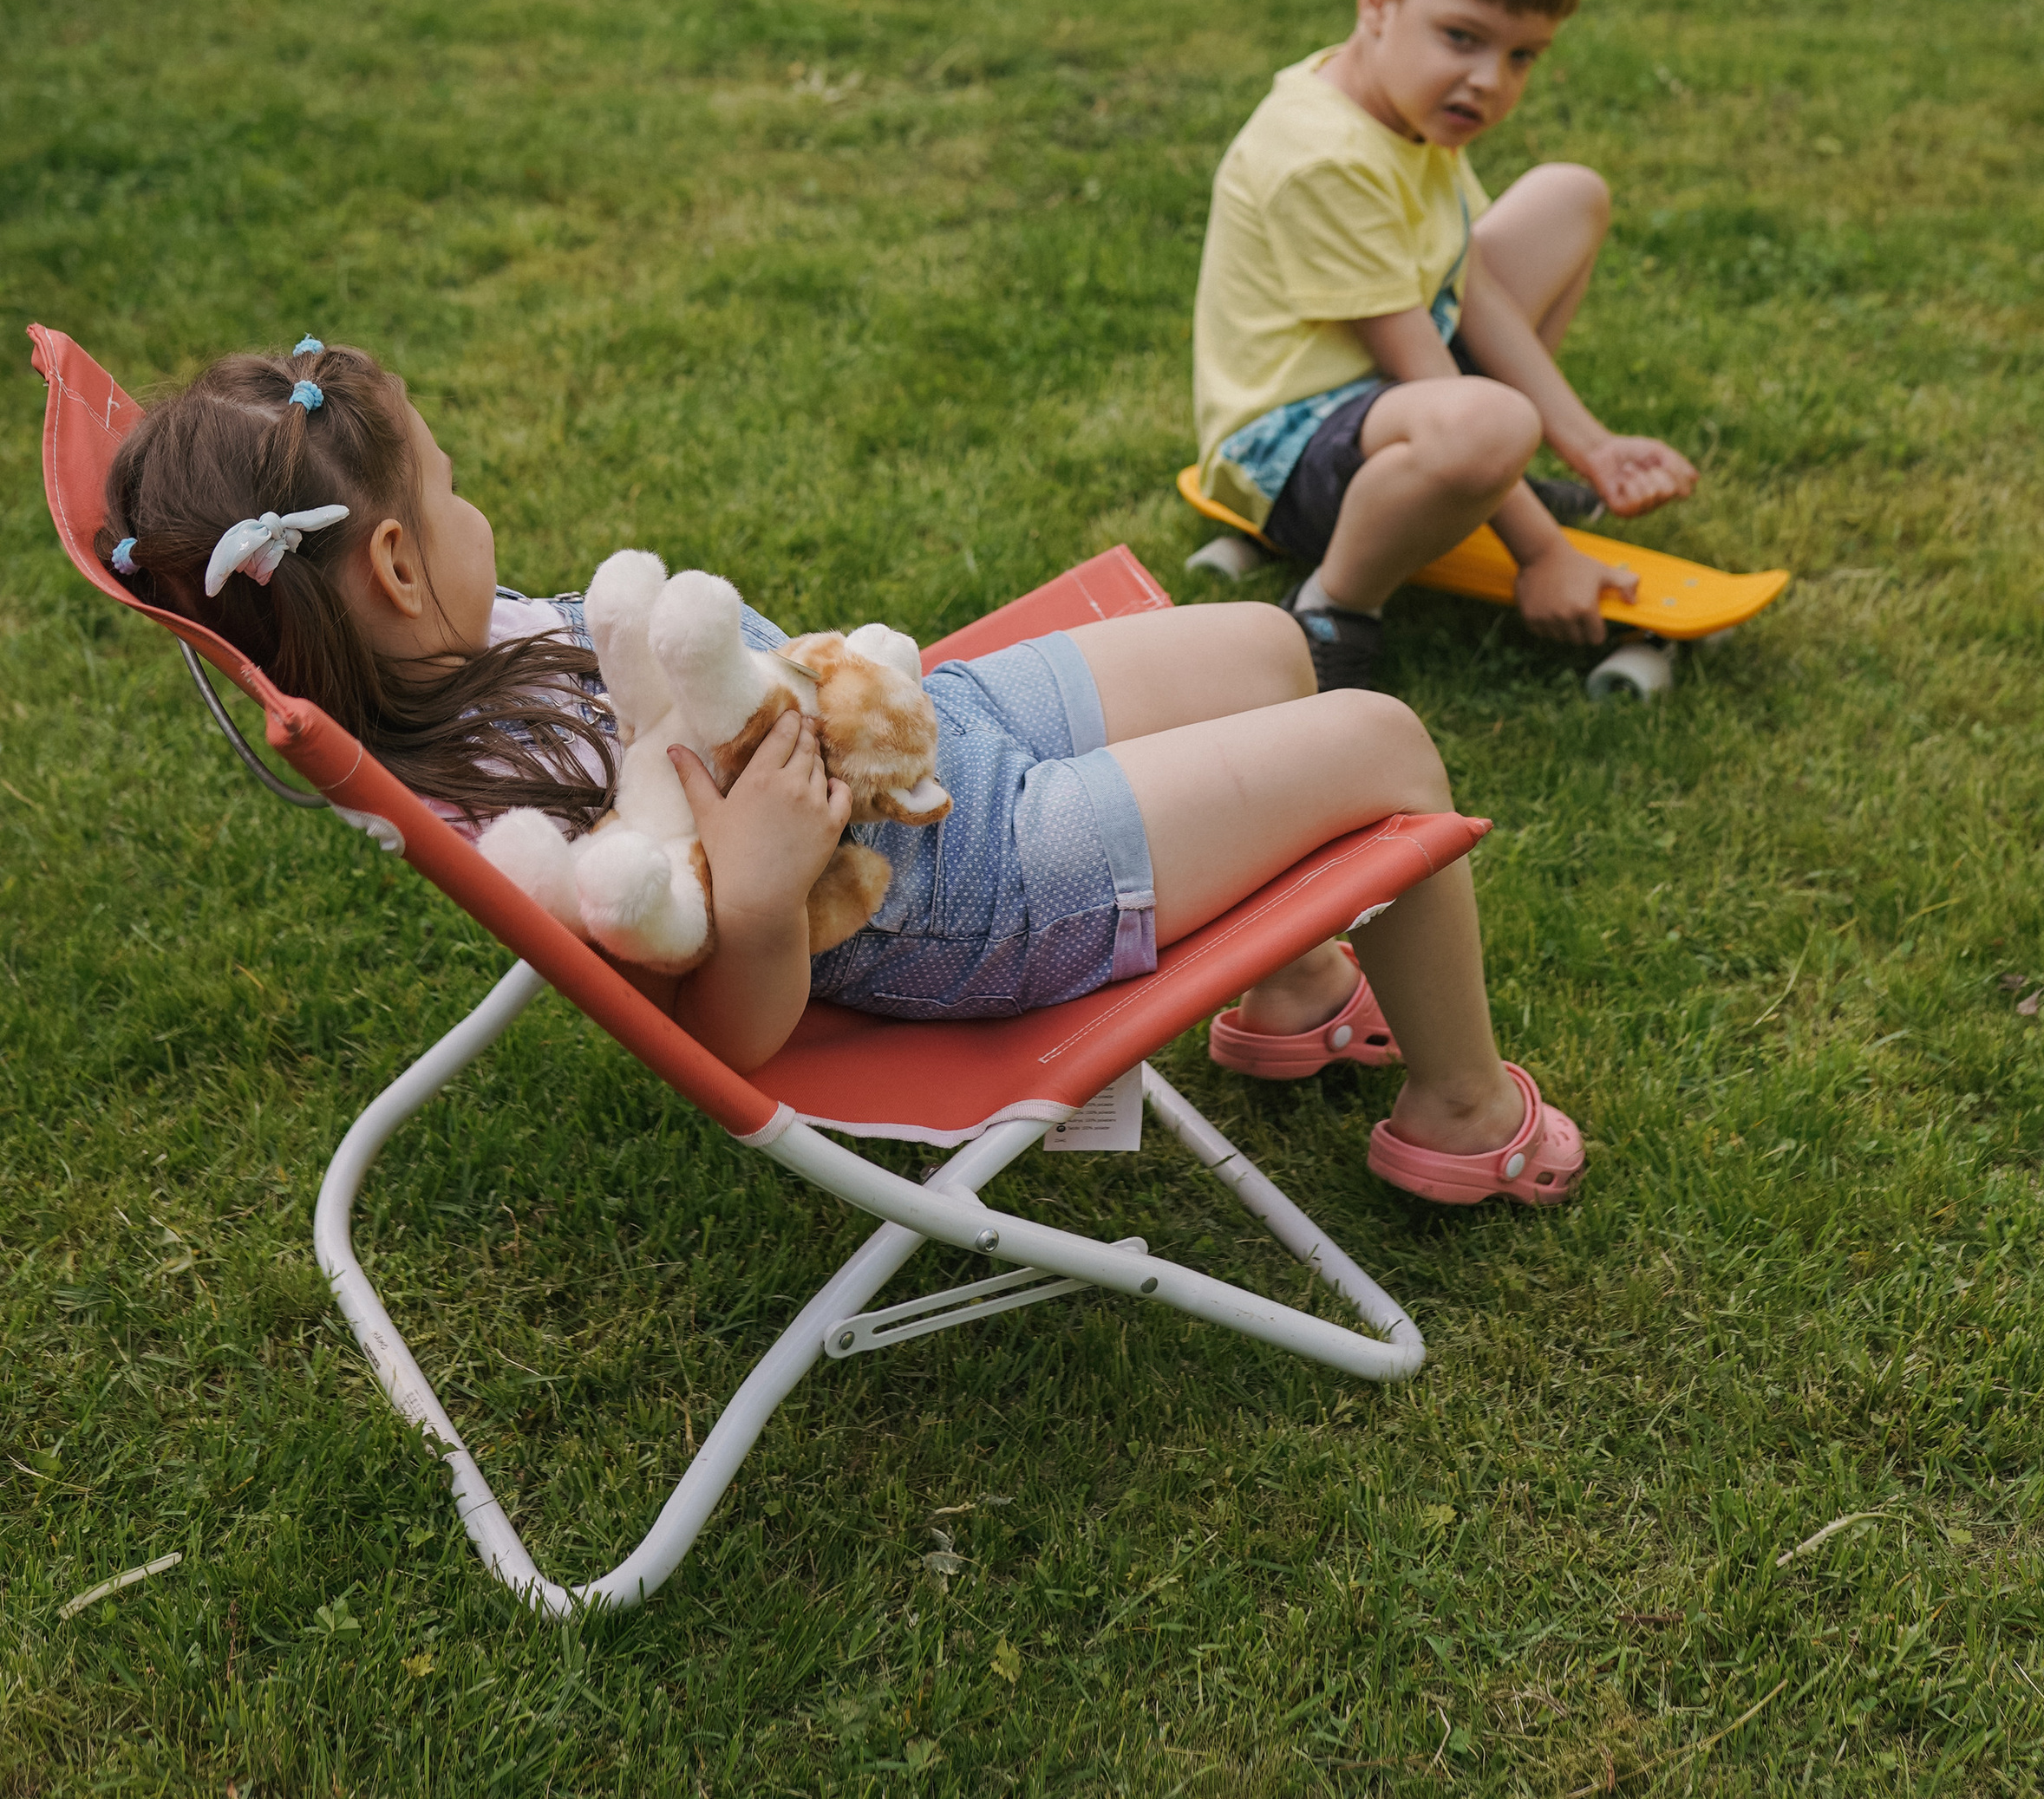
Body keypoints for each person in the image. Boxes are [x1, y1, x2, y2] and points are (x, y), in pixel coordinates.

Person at [98, 337, 1582, 1208]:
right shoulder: (520, 819)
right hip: (976, 888)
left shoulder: (433, 654)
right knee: (1381, 742)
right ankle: (1459, 1121)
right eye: (446, 480)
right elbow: (730, 1045)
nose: (472, 500)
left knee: (1264, 646)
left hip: (934, 730)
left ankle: (1295, 1001)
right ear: (399, 561)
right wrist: (753, 891)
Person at [1192, 0, 1698, 694]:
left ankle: (1473, 483)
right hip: (1285, 457)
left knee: (1568, 196)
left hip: (1393, 411)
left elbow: (1471, 290)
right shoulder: (1322, 155)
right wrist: (1545, 554)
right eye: (1462, 38)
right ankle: (1332, 607)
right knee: (1488, 423)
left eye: (1522, 56)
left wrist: (1590, 443)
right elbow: (1421, 362)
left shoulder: (1409, 109)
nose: (1488, 81)